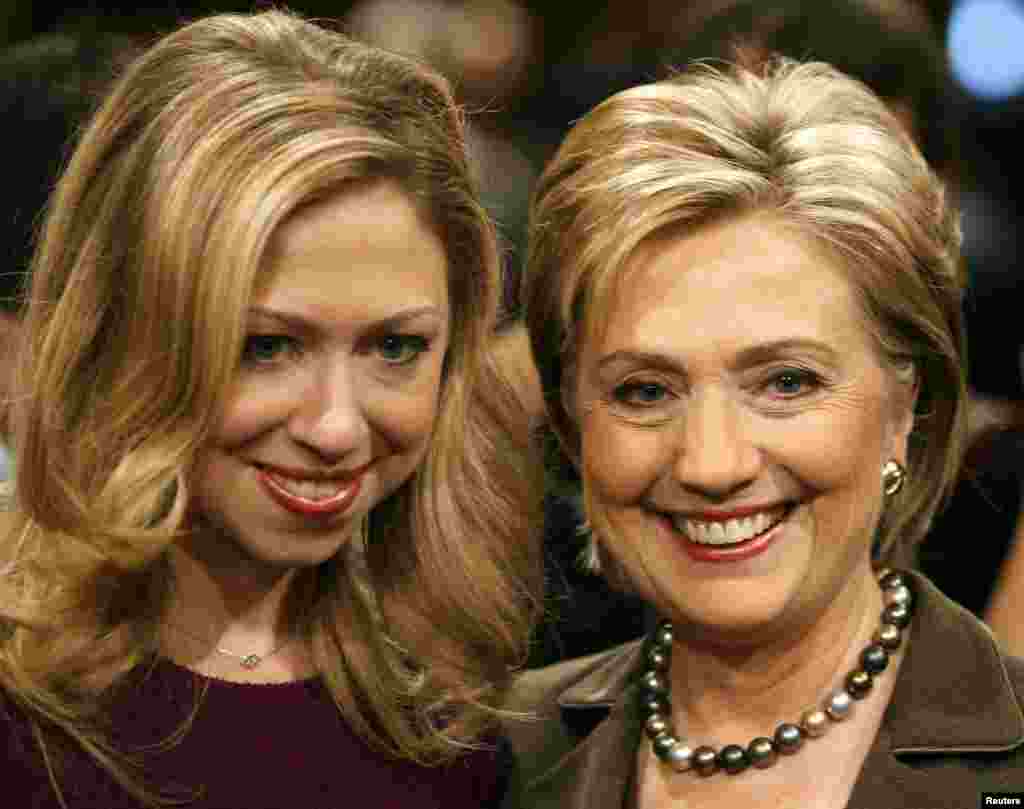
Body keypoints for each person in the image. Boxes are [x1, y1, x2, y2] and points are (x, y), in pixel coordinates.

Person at [0, 10, 543, 808]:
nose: (335, 426)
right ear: (127, 330)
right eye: (266, 346)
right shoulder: (22, 709)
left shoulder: (457, 712)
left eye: (395, 348)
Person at [504, 59, 1024, 808]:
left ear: (907, 403)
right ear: (571, 418)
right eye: (644, 391)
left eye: (786, 382)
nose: (713, 462)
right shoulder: (490, 764)